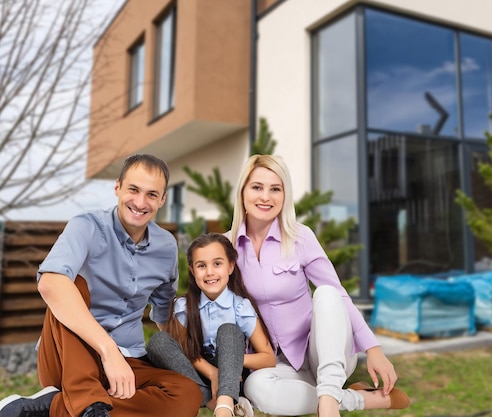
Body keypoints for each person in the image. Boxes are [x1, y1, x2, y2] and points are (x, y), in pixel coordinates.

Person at [0, 154, 203, 417]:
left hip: (129, 359)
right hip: (68, 357)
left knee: (187, 395)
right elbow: (49, 284)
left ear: (163, 199)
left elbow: (164, 315)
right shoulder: (87, 226)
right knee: (73, 284)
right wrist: (107, 350)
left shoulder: (165, 246)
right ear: (117, 187)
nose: (141, 203)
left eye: (152, 195)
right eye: (133, 189)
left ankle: (54, 406)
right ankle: (89, 405)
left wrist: (198, 365)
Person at [228, 154, 411, 417]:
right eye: (257, 187)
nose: (265, 197)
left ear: (285, 194)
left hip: (324, 351)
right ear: (243, 191)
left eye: (275, 189)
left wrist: (374, 349)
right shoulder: (227, 247)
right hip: (277, 363)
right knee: (256, 388)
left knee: (326, 293)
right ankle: (353, 399)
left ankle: (327, 405)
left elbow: (339, 295)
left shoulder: (301, 237)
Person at [146, 232, 275, 417]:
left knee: (228, 330)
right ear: (192, 270)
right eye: (201, 266)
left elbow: (268, 359)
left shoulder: (240, 307)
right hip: (197, 374)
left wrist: (227, 363)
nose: (209, 272)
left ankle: (225, 404)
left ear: (230, 266)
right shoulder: (183, 307)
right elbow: (185, 350)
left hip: (232, 377)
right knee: (158, 341)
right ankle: (209, 399)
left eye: (217, 264)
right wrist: (212, 373)